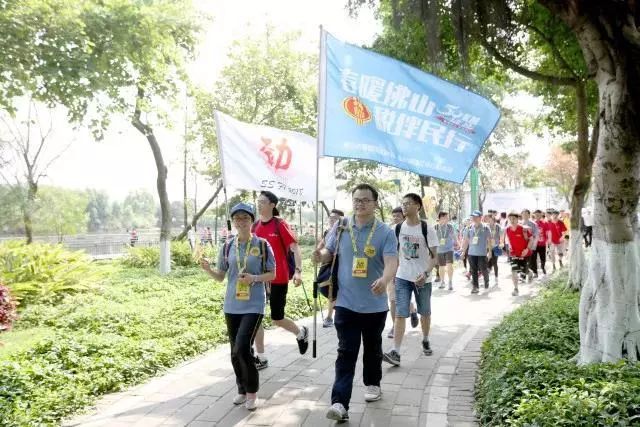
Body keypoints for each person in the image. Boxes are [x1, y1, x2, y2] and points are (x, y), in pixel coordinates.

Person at [313, 184, 398, 422]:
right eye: (356, 200)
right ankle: (340, 403)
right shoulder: (341, 227)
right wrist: (320, 256)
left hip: (375, 304)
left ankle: (373, 383)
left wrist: (385, 279)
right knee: (346, 352)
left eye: (365, 200)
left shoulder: (385, 232)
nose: (359, 204)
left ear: (375, 203)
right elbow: (329, 252)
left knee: (372, 348)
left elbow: (392, 261)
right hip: (346, 303)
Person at [200, 203, 275, 411]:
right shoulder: (227, 247)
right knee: (235, 351)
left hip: (254, 304)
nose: (241, 222)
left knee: (242, 346)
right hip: (232, 304)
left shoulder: (262, 245)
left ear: (252, 221)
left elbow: (272, 274)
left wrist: (254, 278)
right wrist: (208, 269)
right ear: (233, 222)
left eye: (245, 218)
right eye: (237, 218)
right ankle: (241, 389)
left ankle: (252, 391)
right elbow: (220, 277)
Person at [252, 191, 308, 371]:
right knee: (256, 318)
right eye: (258, 201)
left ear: (272, 205)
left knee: (277, 318)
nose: (259, 204)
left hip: (278, 277)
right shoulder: (254, 226)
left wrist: (298, 271)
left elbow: (294, 248)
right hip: (259, 279)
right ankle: (261, 357)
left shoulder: (280, 225)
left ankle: (300, 333)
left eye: (263, 202)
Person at [383, 193, 438, 367]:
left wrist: (426, 272)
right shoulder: (397, 229)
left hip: (423, 278)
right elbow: (394, 254)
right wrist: (391, 275)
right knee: (400, 313)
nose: (404, 206)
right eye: (403, 203)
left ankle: (426, 339)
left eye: (408, 203)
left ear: (418, 206)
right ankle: (396, 352)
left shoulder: (427, 228)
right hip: (402, 277)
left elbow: (434, 256)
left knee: (425, 312)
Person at [387, 207, 419, 338]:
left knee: (401, 298)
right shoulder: (389, 232)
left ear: (404, 217)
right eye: (393, 216)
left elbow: (413, 253)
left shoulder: (411, 233)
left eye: (398, 216)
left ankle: (412, 310)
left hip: (405, 272)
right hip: (391, 271)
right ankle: (395, 326)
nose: (395, 219)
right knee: (393, 300)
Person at [318, 209, 345, 328]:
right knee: (326, 287)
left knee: (333, 288)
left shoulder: (344, 231)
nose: (331, 219)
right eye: (330, 217)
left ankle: (329, 316)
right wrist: (318, 254)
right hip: (328, 264)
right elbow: (322, 246)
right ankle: (334, 312)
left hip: (340, 263)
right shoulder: (327, 232)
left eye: (335, 218)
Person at [461, 211, 492, 293]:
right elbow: (466, 241)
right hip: (471, 253)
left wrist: (490, 252)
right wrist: (463, 252)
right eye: (473, 217)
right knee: (473, 270)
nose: (474, 218)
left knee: (483, 269)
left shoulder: (485, 228)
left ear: (480, 217)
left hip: (482, 253)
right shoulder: (469, 228)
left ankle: (486, 281)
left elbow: (489, 240)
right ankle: (475, 287)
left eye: (476, 217)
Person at [504, 211, 533, 296]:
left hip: (525, 254)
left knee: (523, 271)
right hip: (514, 254)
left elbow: (531, 239)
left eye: (514, 218)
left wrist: (527, 249)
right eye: (510, 219)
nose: (512, 220)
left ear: (517, 219)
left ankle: (529, 272)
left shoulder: (523, 229)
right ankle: (516, 289)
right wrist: (508, 248)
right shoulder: (507, 229)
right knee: (514, 270)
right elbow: (508, 240)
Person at [435, 211, 455, 290]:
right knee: (441, 266)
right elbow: (431, 238)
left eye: (447, 217)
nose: (447, 219)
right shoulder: (435, 227)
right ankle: (442, 281)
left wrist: (459, 244)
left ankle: (450, 281)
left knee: (449, 265)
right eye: (446, 217)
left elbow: (454, 236)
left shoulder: (450, 226)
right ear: (441, 218)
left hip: (449, 249)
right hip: (439, 250)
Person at [520, 209, 539, 278]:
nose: (524, 215)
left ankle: (535, 272)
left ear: (529, 215)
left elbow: (536, 235)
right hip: (522, 246)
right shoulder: (520, 224)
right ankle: (523, 275)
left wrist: (533, 246)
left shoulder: (533, 224)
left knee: (532, 260)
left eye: (526, 214)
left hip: (531, 245)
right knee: (522, 260)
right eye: (523, 214)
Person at [486, 214, 503, 285]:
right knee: (487, 261)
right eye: (488, 219)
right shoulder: (486, 227)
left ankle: (496, 277)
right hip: (487, 247)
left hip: (496, 247)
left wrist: (501, 243)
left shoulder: (498, 227)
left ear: (493, 220)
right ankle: (487, 277)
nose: (489, 221)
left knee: (495, 262)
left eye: (490, 219)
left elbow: (501, 235)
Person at [533, 210, 551, 275]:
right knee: (534, 259)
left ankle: (543, 267)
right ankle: (535, 272)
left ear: (541, 215)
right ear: (534, 215)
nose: (537, 216)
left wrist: (549, 240)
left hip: (542, 244)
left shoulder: (545, 223)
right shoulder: (532, 223)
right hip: (534, 245)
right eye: (536, 214)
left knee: (543, 258)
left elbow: (548, 232)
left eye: (539, 215)